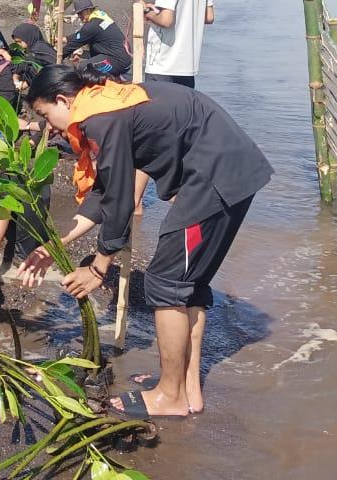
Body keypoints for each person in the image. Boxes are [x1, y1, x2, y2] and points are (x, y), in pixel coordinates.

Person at [19, 64, 271, 419]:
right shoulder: (107, 102)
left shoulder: (102, 119)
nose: (49, 126)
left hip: (215, 178)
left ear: (62, 100)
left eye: (46, 115)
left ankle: (170, 396)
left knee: (165, 282)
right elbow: (106, 190)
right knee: (188, 283)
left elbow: (120, 198)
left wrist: (99, 265)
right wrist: (55, 245)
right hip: (228, 171)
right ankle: (187, 389)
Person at [62, 0, 132, 80]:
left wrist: (55, 57)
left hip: (118, 61)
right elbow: (81, 35)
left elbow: (73, 45)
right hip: (119, 55)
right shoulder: (99, 16)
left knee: (83, 69)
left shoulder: (92, 26)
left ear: (88, 10)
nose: (79, 16)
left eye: (81, 13)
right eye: (78, 14)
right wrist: (66, 39)